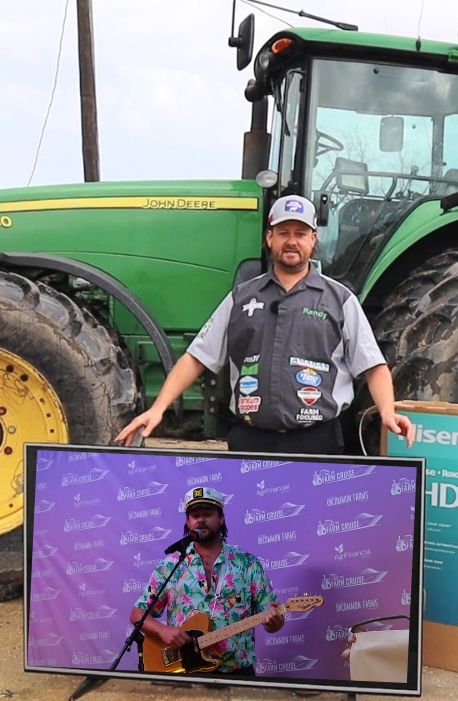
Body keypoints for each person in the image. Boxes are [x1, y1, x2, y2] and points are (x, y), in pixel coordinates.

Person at [114, 194, 413, 454]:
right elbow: (197, 357)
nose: (291, 241)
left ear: (313, 240)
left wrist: (387, 411)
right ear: (270, 238)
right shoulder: (241, 298)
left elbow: (373, 365)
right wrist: (157, 409)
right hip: (251, 440)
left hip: (317, 443)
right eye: (283, 232)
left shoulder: (340, 300)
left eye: (300, 232)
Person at [130, 487, 283, 676]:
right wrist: (163, 630)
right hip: (185, 671)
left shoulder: (247, 563)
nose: (201, 519)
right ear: (188, 521)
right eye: (195, 515)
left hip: (237, 673)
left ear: (221, 518)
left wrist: (274, 621)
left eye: (208, 514)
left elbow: (271, 621)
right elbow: (138, 614)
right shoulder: (171, 564)